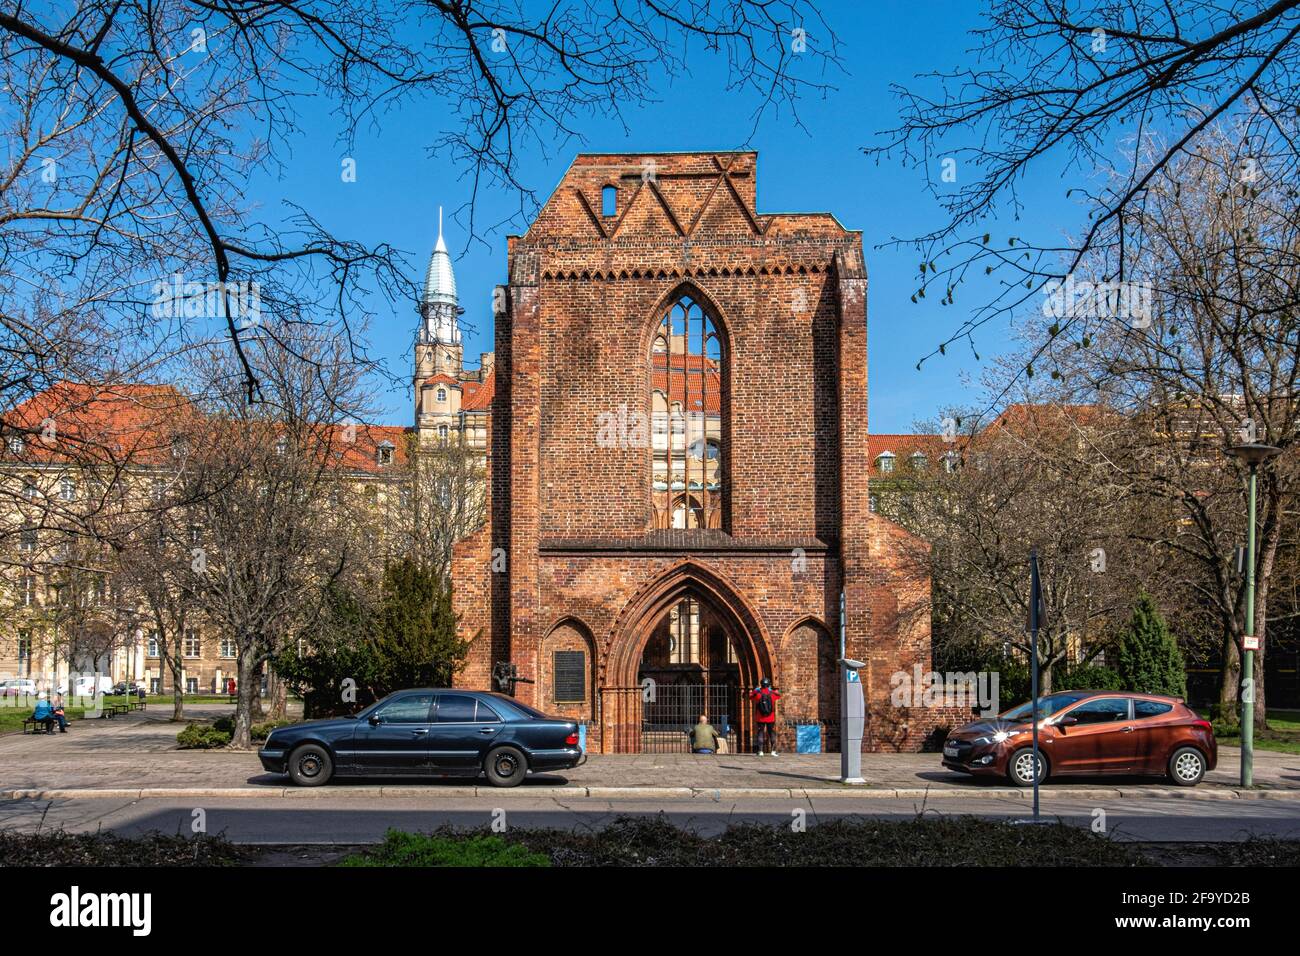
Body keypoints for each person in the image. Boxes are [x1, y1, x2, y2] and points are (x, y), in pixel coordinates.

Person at [749, 678, 781, 756]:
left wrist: (755, 690)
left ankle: (760, 751)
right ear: (769, 684)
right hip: (770, 717)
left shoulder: (758, 693)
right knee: (771, 733)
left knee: (760, 732)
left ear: (761, 684)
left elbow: (750, 696)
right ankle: (773, 751)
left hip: (760, 717)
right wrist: (772, 690)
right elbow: (779, 695)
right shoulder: (772, 693)